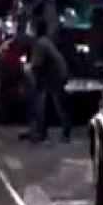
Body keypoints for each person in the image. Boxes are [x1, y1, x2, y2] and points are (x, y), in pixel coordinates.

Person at [20, 15, 71, 144]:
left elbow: (37, 65)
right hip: (56, 75)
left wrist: (27, 69)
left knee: (52, 104)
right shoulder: (45, 41)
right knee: (49, 103)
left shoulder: (40, 44)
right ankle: (41, 131)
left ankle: (46, 132)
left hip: (56, 76)